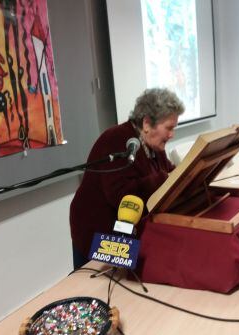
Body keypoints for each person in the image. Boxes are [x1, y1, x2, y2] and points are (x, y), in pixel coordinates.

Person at [69, 88, 185, 269]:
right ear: (147, 123)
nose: (172, 135)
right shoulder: (116, 139)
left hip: (125, 232)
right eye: (169, 128)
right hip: (98, 232)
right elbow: (121, 195)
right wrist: (165, 179)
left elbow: (169, 171)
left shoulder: (154, 146)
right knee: (93, 289)